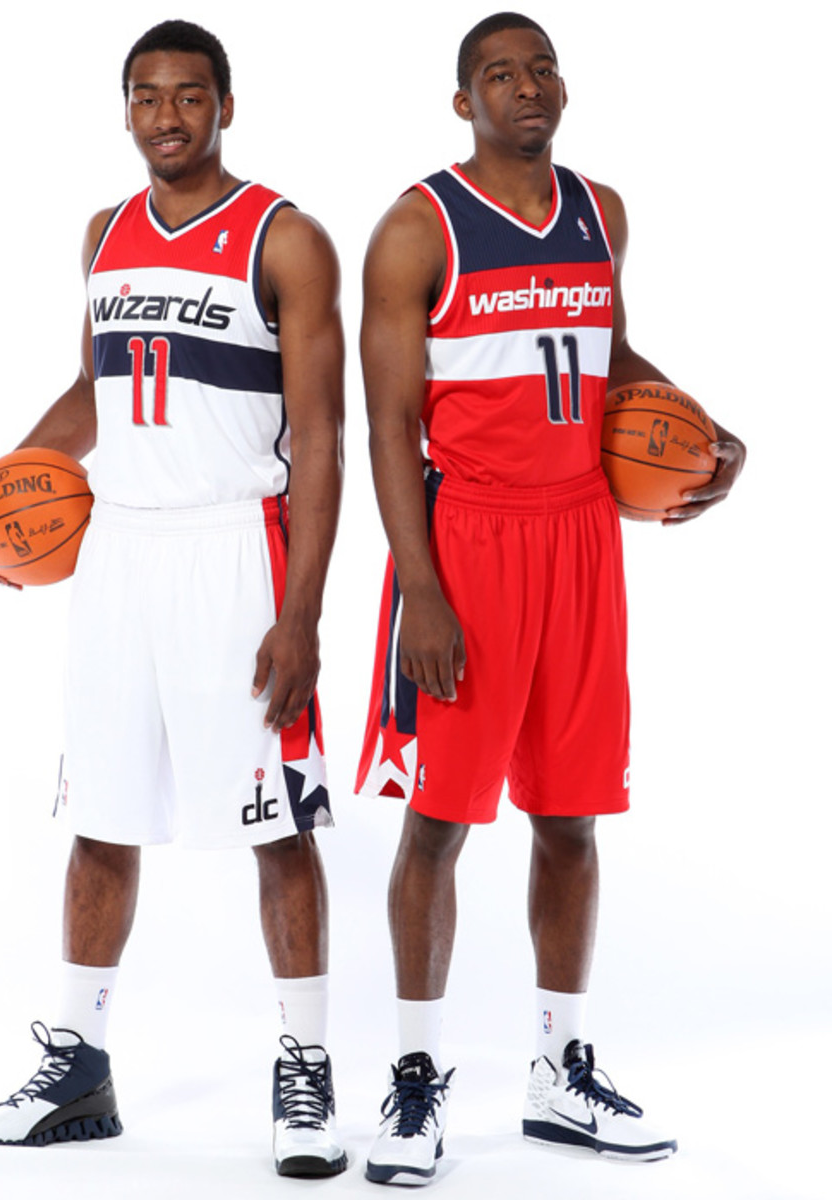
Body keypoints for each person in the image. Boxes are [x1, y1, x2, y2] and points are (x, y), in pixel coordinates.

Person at [355, 11, 745, 1186]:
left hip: (582, 535)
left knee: (571, 816)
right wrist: (422, 590)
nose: (527, 87)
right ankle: (415, 1081)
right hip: (467, 542)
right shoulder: (417, 228)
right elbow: (387, 424)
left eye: (541, 69)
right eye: (499, 74)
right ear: (462, 101)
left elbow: (608, 356)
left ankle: (560, 1072)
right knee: (439, 823)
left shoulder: (600, 212)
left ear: (562, 87)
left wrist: (703, 431)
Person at [0, 19, 347, 1178]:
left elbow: (323, 436)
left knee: (275, 822)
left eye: (187, 96)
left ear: (225, 104)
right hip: (120, 550)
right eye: (145, 96)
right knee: (102, 815)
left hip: (236, 552)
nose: (165, 117)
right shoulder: (105, 234)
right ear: (124, 108)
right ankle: (78, 1064)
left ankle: (308, 1070)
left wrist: (303, 614)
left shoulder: (286, 238)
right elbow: (97, 386)